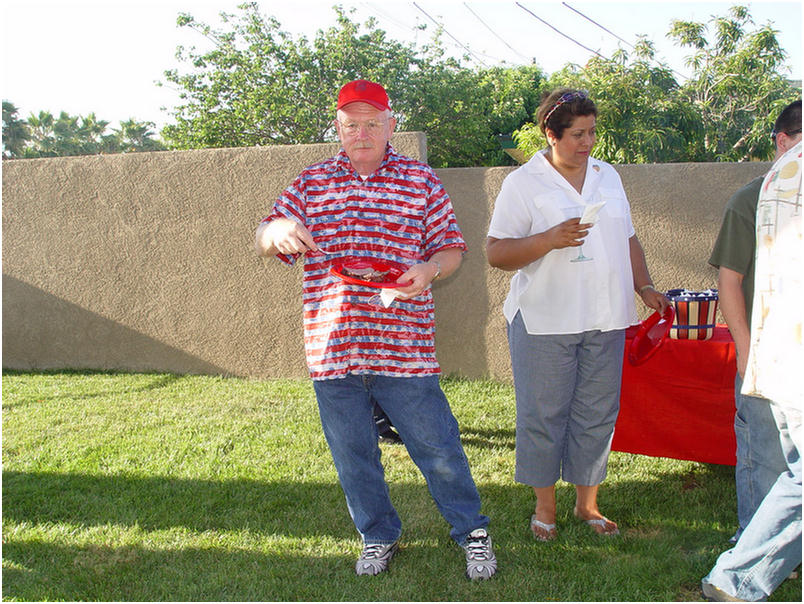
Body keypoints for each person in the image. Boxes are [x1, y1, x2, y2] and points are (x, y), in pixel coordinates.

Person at [255, 79, 496, 580]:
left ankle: (472, 533)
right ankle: (378, 535)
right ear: (338, 129)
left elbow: (451, 248)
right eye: (350, 125)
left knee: (439, 448)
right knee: (353, 456)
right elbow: (267, 232)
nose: (361, 133)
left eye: (371, 123)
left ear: (390, 126)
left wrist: (429, 271)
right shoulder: (312, 182)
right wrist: (273, 231)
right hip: (333, 348)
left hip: (404, 349)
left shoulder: (420, 180)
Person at [486, 88, 668, 541]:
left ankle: (587, 506)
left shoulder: (608, 177)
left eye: (591, 133)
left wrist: (643, 286)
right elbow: (497, 253)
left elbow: (627, 238)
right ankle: (545, 509)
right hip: (545, 320)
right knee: (544, 413)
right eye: (577, 134)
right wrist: (547, 239)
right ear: (551, 134)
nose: (587, 143)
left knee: (597, 412)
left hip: (605, 316)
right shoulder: (523, 184)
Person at [701, 139, 802, 602]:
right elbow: (729, 281)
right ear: (784, 141)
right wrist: (746, 351)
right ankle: (748, 553)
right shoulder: (755, 198)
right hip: (771, 352)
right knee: (765, 458)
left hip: (784, 352)